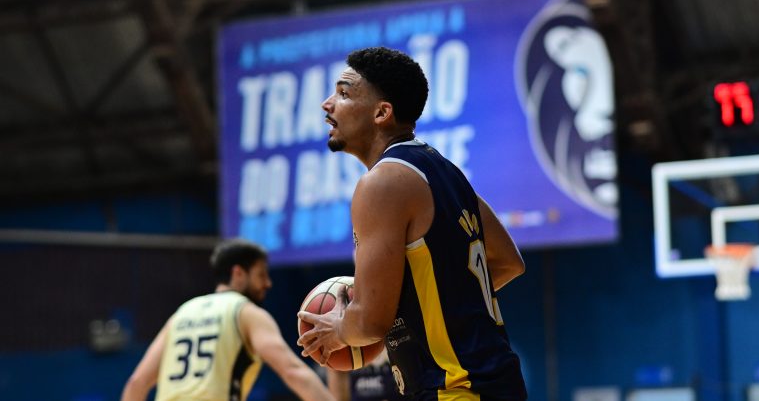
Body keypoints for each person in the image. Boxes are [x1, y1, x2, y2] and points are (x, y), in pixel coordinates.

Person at [297, 47, 528, 400]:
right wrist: (428, 309)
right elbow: (509, 261)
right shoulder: (445, 172)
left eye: (343, 93)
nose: (327, 104)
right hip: (498, 384)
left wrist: (339, 329)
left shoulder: (382, 183)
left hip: (454, 389)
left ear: (381, 113)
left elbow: (370, 321)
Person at [121, 239, 337, 401]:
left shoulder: (182, 313)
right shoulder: (246, 312)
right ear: (238, 273)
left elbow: (136, 383)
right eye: (261, 275)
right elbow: (293, 371)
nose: (268, 283)